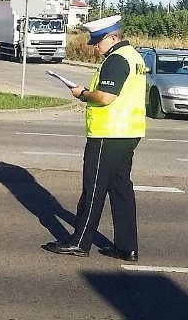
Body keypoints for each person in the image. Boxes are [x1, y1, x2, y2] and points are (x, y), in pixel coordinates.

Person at [43, 15, 146, 262]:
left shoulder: (116, 59)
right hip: (128, 132)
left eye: (98, 42)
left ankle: (79, 242)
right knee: (121, 189)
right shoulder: (134, 56)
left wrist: (83, 93)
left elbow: (106, 97)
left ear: (112, 37)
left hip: (107, 133)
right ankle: (126, 246)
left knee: (93, 189)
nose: (95, 47)